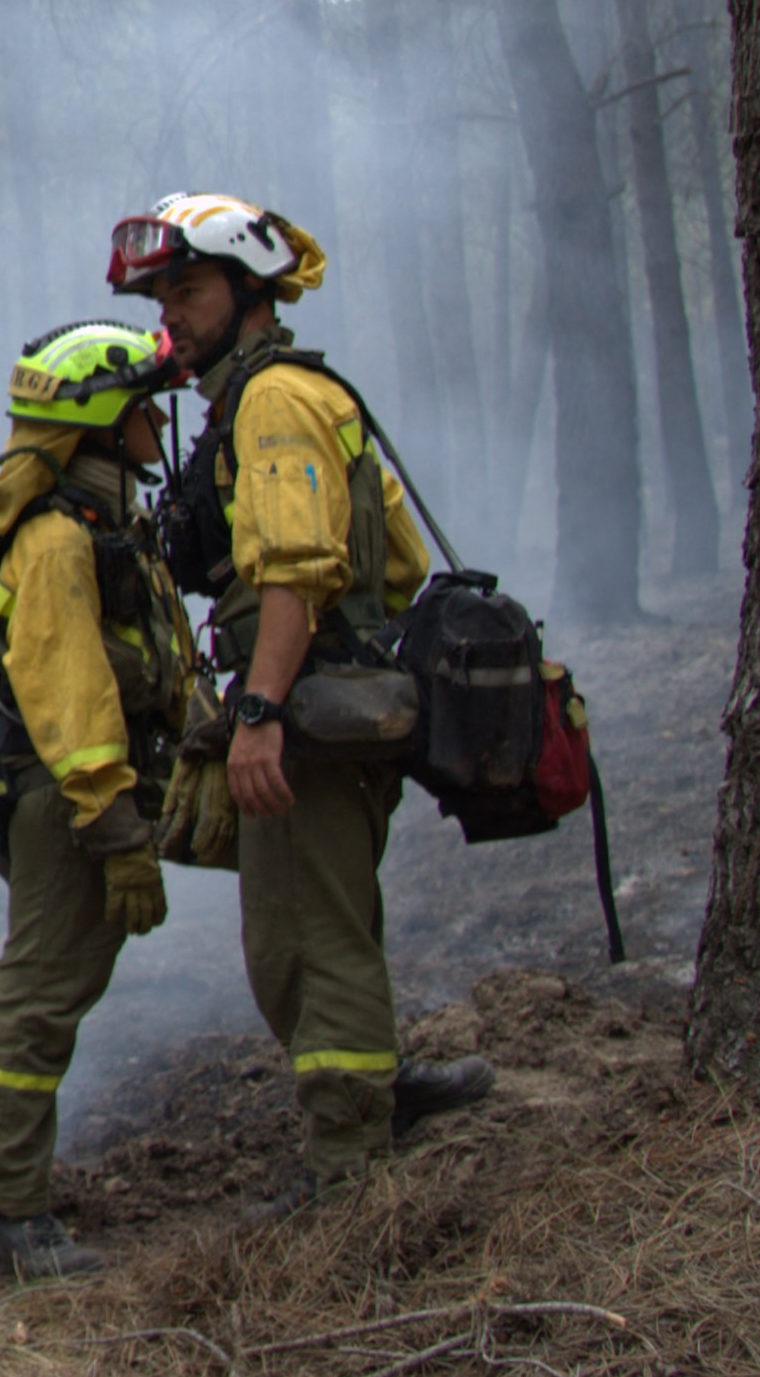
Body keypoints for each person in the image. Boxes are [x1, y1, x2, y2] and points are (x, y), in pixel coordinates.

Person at [108, 193, 491, 1207]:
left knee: (302, 942)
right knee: (313, 930)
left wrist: (259, 712)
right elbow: (384, 558)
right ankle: (371, 1096)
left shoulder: (274, 403)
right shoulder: (270, 398)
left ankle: (349, 1168)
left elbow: (293, 572)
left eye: (185, 291)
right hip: (319, 698)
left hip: (308, 707)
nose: (170, 315)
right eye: (161, 297)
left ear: (247, 290)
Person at [0, 322, 198, 1280]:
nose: (158, 420)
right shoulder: (55, 542)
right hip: (71, 799)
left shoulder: (107, 523)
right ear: (100, 424)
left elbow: (156, 657)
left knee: (288, 839)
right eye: (143, 406)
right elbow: (71, 699)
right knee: (44, 994)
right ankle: (18, 1221)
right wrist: (116, 826)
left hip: (125, 778)